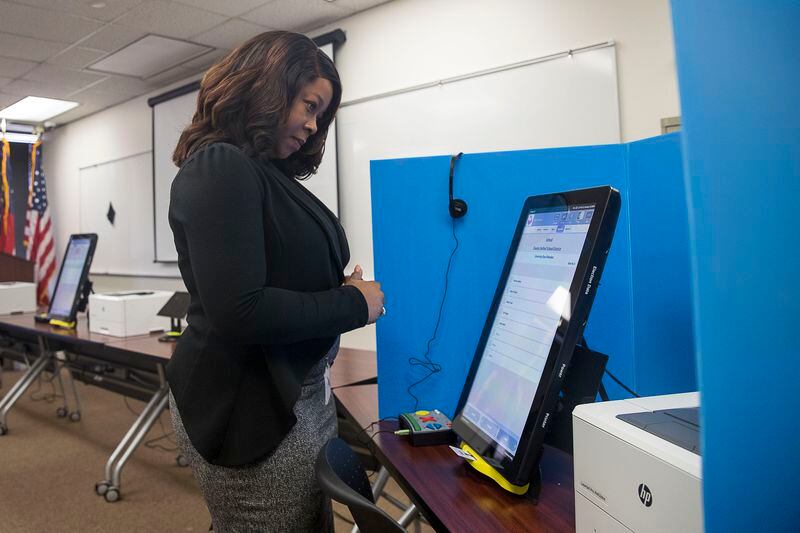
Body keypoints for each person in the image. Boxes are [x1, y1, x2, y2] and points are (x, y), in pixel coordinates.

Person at [166, 31, 384, 531]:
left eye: (320, 116)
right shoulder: (220, 167)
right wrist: (352, 305)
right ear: (268, 87)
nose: (312, 126)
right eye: (309, 106)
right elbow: (241, 310)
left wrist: (340, 285)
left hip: (294, 394)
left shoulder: (265, 172)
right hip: (249, 413)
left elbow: (274, 272)